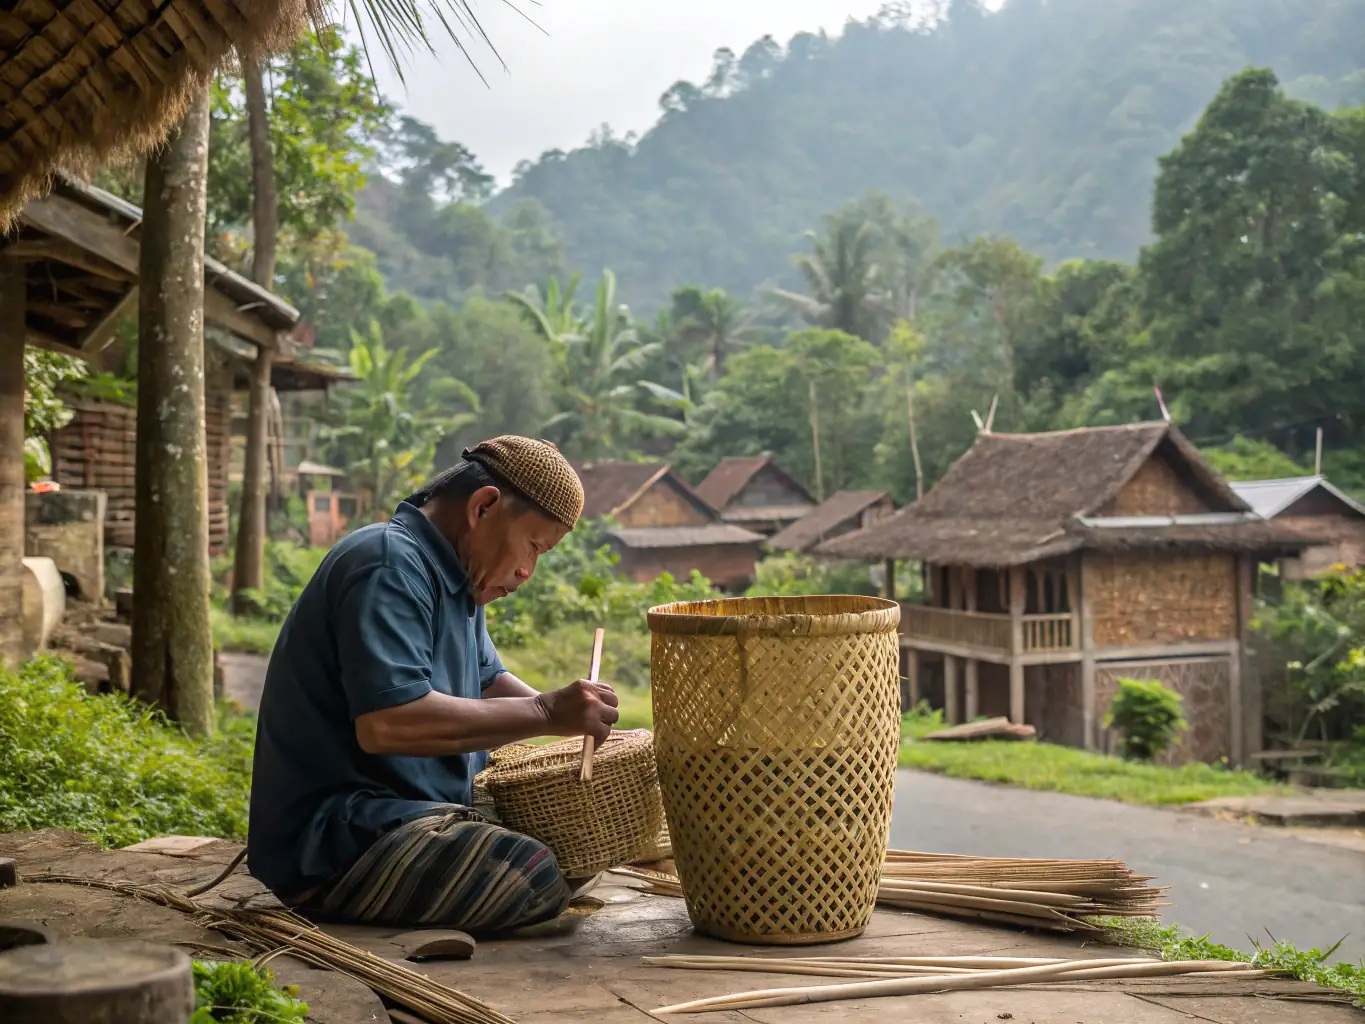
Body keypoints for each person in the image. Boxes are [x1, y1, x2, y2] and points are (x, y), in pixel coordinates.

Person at [247, 436, 617, 934]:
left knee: (581, 839)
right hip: (342, 838)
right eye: (533, 546)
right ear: (484, 506)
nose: (528, 572)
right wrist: (549, 713)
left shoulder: (459, 580)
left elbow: (489, 684)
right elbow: (388, 724)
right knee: (532, 874)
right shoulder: (387, 563)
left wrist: (580, 721)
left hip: (416, 815)